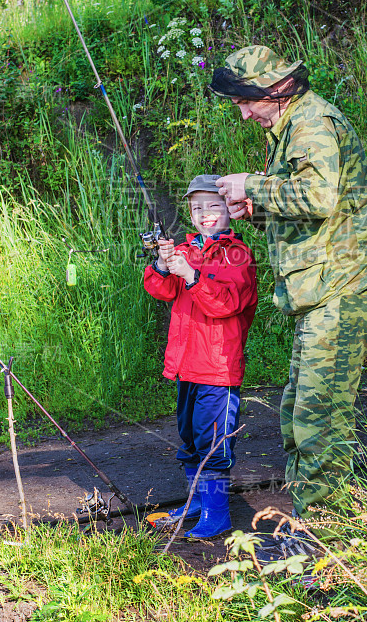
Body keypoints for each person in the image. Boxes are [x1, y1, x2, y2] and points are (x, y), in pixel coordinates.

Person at [210, 46, 367, 555]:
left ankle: (326, 547)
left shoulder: (311, 123)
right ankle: (321, 534)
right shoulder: (288, 126)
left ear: (274, 91)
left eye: (247, 102)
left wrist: (253, 185)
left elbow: (319, 196)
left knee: (317, 417)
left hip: (343, 289)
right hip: (324, 289)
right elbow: (313, 207)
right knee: (299, 411)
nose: (244, 114)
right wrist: (256, 205)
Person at [144, 174, 258, 539]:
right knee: (190, 438)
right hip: (186, 367)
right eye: (196, 208)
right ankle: (196, 500)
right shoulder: (185, 249)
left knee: (214, 443)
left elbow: (226, 305)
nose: (205, 213)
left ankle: (217, 513)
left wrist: (192, 276)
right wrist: (164, 265)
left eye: (213, 205)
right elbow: (160, 290)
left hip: (218, 369)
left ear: (230, 209)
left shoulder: (238, 256)